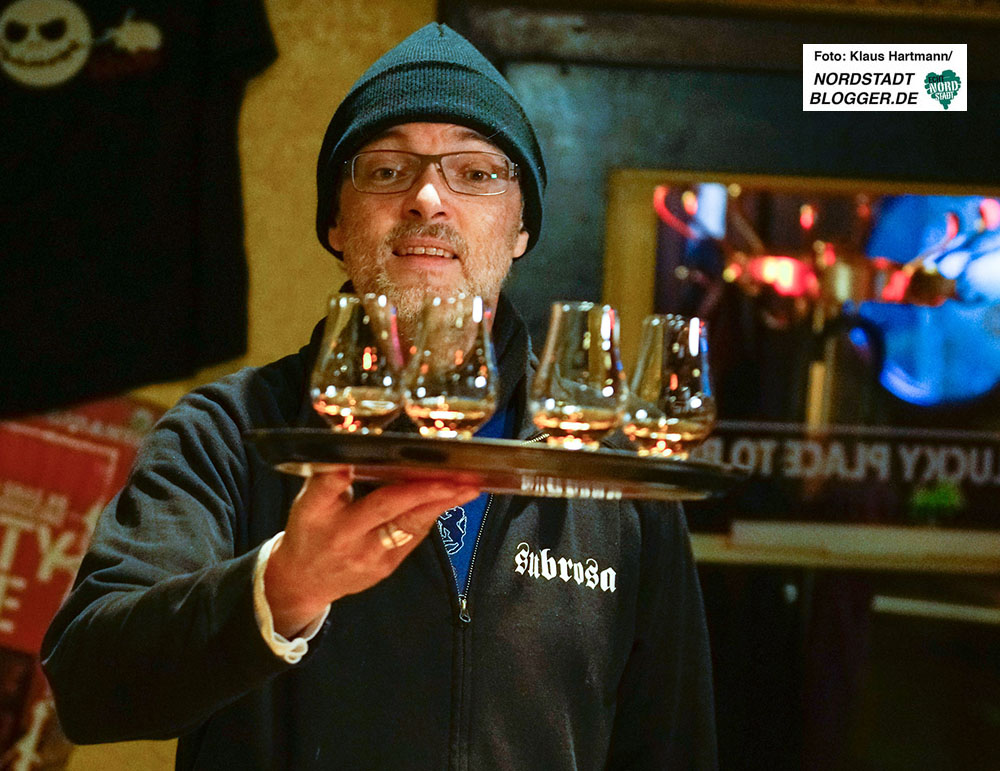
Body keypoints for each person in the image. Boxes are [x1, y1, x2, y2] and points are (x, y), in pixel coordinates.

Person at [41, 23, 717, 770]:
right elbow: (88, 687)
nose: (427, 199)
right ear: (336, 222)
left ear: (521, 228)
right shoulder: (228, 433)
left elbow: (673, 747)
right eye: (388, 170)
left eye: (475, 172)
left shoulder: (611, 472)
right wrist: (280, 590)